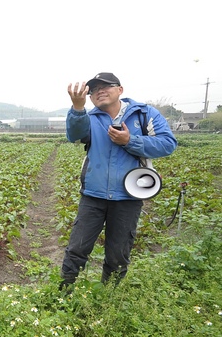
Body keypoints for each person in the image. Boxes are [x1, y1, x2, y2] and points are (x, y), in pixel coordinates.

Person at [60, 72, 177, 288]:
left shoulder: (144, 114)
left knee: (118, 254)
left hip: (128, 197)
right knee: (77, 248)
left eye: (107, 86)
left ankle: (109, 298)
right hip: (93, 195)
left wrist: (130, 140)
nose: (99, 91)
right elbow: (74, 136)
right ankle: (63, 295)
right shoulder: (90, 118)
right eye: (94, 89)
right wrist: (77, 108)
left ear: (120, 90)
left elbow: (168, 144)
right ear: (90, 96)